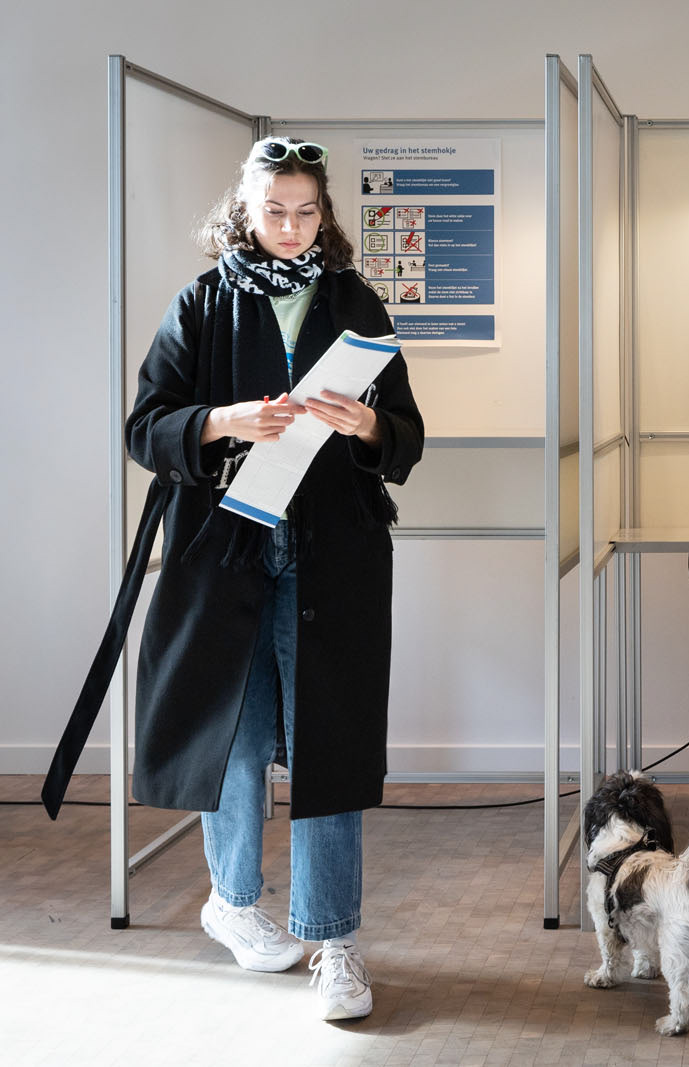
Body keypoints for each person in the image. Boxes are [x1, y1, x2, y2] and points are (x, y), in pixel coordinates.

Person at [53, 137, 424, 1019]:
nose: (291, 228)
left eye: (305, 211)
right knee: (235, 737)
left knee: (329, 744)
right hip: (226, 553)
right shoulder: (202, 301)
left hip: (332, 556)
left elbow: (406, 433)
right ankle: (233, 901)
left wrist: (366, 424)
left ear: (323, 214)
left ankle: (336, 940)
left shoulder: (356, 301)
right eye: (274, 212)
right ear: (245, 214)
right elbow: (146, 426)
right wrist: (223, 420)